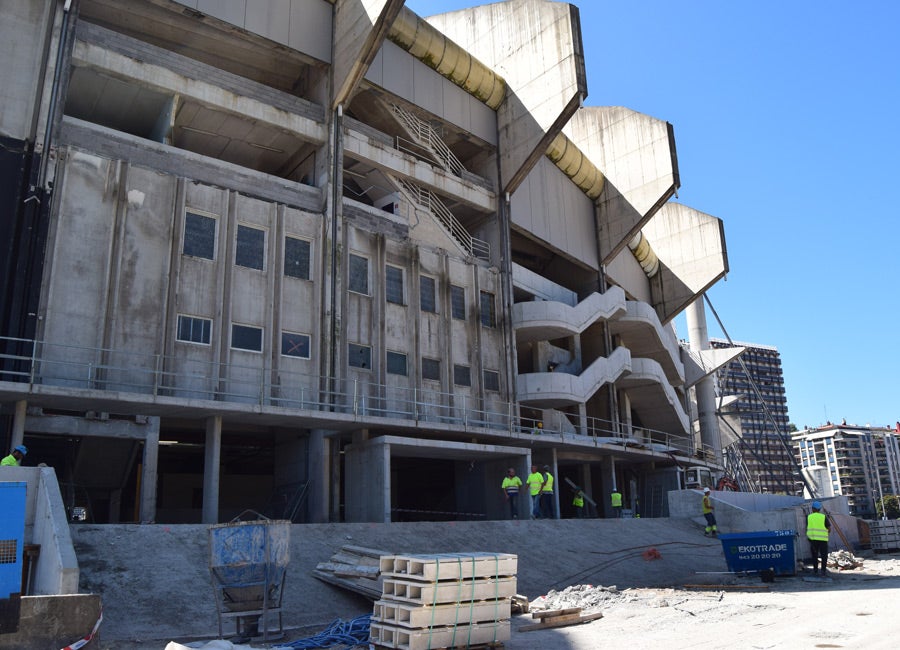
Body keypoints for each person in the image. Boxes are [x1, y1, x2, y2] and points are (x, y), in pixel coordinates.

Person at [807, 500, 831, 576]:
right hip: (823, 540)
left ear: (813, 509)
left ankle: (815, 570)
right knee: (824, 556)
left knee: (814, 555)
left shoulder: (809, 517)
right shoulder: (824, 517)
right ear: (819, 509)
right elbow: (829, 528)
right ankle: (823, 571)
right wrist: (825, 533)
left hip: (813, 540)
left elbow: (808, 527)